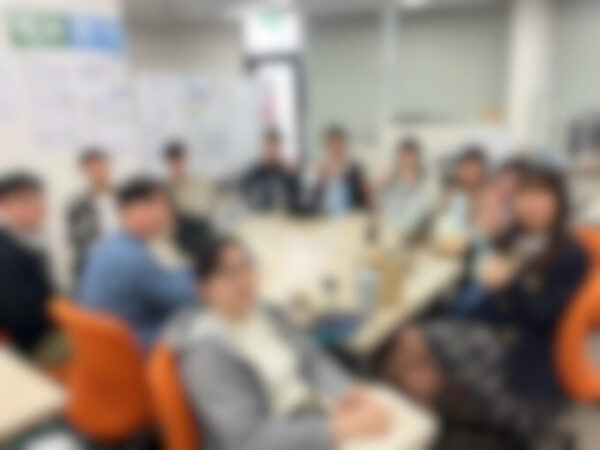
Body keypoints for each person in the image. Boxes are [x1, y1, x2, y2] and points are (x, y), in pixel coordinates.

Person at [382, 167, 588, 431]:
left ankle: (413, 425)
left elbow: (542, 316)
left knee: (405, 343)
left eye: (541, 195)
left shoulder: (571, 254)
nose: (531, 203)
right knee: (417, 367)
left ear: (559, 202)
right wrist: (481, 237)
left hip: (519, 346)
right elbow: (480, 272)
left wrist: (509, 283)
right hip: (492, 325)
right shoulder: (517, 236)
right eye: (525, 194)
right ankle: (422, 428)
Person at [166, 237, 394, 450]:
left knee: (389, 418)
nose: (243, 280)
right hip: (280, 438)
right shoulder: (206, 355)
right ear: (203, 289)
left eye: (246, 266)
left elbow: (311, 358)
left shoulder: (264, 312)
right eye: (228, 273)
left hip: (309, 415)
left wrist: (345, 391)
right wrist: (337, 428)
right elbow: (249, 439)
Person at [78, 177, 196, 349]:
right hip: (138, 345)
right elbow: (188, 296)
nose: (171, 212)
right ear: (135, 210)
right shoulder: (131, 258)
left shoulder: (109, 245)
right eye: (163, 204)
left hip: (108, 345)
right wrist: (200, 267)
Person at [0, 173, 54, 354]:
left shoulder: (29, 240)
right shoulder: (6, 253)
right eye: (25, 200)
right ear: (3, 205)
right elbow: (23, 318)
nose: (37, 205)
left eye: (38, 197)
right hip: (33, 345)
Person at [68, 148, 118, 275]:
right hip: (95, 268)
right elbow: (78, 242)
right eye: (92, 168)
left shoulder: (127, 198)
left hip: (130, 263)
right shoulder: (77, 206)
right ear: (84, 171)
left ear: (108, 166)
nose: (97, 172)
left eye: (100, 165)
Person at [376, 137, 430, 237]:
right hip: (388, 233)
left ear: (417, 158)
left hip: (414, 235)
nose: (406, 160)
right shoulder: (389, 182)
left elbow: (425, 213)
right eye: (403, 156)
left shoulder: (426, 185)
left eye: (410, 156)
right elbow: (379, 208)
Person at [316, 126, 368, 215]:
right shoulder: (319, 169)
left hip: (350, 215)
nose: (335, 147)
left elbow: (363, 195)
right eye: (331, 144)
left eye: (338, 143)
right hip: (324, 215)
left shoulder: (354, 168)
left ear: (344, 144)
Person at [241, 128, 294, 212]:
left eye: (275, 146)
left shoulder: (287, 174)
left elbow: (296, 203)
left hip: (281, 218)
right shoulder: (251, 176)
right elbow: (245, 202)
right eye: (269, 146)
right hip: (259, 217)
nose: (272, 150)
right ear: (263, 147)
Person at [163, 140, 215, 218]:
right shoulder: (165, 188)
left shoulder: (199, 184)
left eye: (179, 161)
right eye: (173, 162)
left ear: (184, 161)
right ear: (168, 163)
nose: (176, 166)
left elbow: (206, 209)